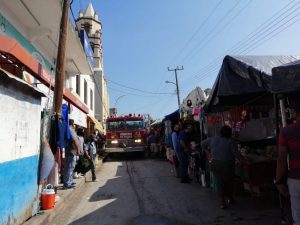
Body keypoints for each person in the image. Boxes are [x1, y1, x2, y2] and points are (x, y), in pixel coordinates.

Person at [201, 125, 242, 209]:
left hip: (215, 164)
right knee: (228, 182)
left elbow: (202, 144)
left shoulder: (213, 138)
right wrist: (243, 160)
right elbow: (236, 154)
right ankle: (230, 199)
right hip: (227, 165)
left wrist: (208, 153)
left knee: (219, 183)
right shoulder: (230, 141)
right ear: (229, 133)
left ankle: (222, 203)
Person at [276, 99, 300, 225]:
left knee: (298, 214)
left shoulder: (286, 131)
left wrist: (279, 181)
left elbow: (281, 159)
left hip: (296, 179)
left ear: (296, 113)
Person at [63, 119, 80, 189]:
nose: (75, 125)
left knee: (70, 167)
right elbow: (75, 141)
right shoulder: (71, 130)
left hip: (70, 152)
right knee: (69, 168)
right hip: (71, 152)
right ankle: (67, 183)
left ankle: (69, 181)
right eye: (74, 124)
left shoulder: (69, 130)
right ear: (72, 124)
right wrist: (78, 150)